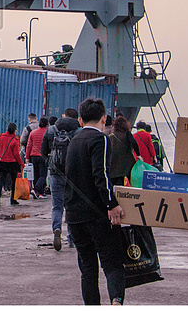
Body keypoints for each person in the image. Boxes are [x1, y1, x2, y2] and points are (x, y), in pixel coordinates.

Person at [65, 97, 125, 306]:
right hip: (97, 215)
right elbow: (102, 176)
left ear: (80, 120)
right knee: (113, 263)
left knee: (88, 269)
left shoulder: (73, 141)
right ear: (104, 118)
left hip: (74, 216)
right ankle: (116, 302)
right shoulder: (101, 140)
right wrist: (112, 204)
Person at [41, 108, 81, 250]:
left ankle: (57, 229)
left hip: (55, 173)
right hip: (72, 175)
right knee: (71, 206)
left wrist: (50, 163)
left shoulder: (51, 130)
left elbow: (43, 151)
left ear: (63, 116)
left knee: (57, 206)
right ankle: (72, 238)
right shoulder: (78, 131)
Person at [0, 122, 22, 207]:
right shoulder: (15, 140)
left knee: (1, 180)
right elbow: (16, 154)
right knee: (13, 181)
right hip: (12, 163)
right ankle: (13, 199)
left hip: (1, 162)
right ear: (14, 131)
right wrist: (21, 163)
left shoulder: (0, 138)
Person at [108, 116, 140, 188]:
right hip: (126, 163)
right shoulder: (127, 134)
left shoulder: (110, 136)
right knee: (126, 182)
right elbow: (134, 143)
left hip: (113, 163)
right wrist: (138, 155)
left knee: (114, 183)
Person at [26, 116, 49, 198]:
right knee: (43, 175)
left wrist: (27, 157)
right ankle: (35, 189)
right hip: (43, 156)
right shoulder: (47, 132)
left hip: (33, 156)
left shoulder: (33, 132)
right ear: (47, 124)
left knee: (36, 175)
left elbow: (29, 146)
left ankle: (39, 193)